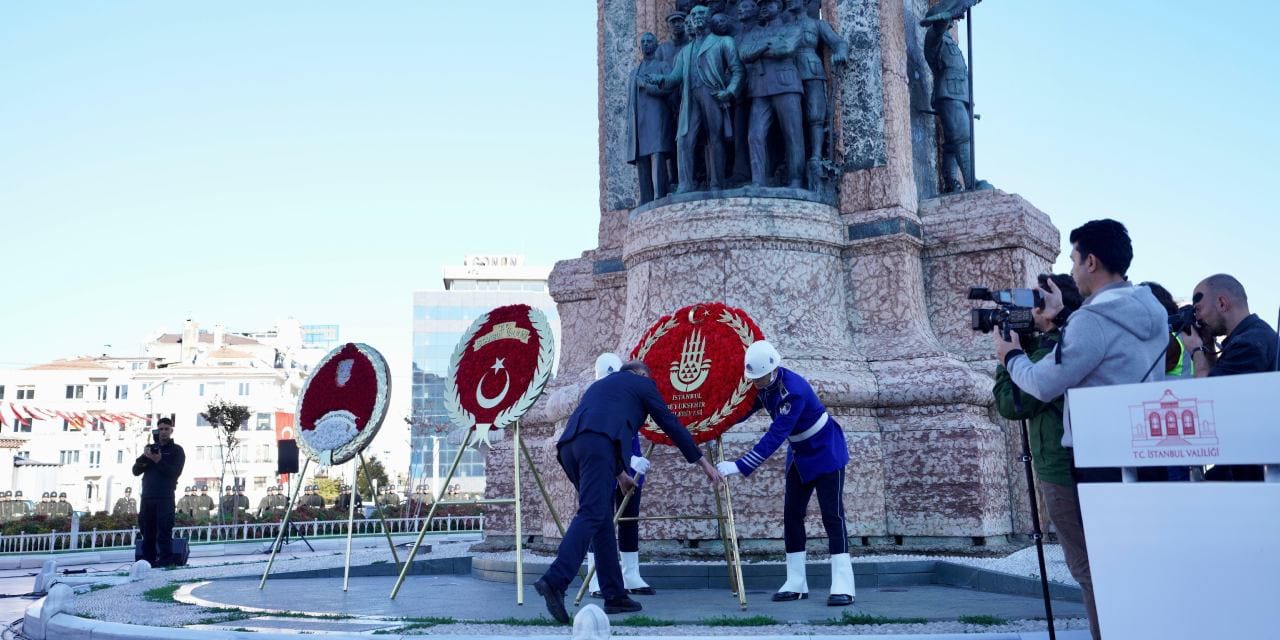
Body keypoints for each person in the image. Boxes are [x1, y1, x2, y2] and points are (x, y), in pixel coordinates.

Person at [994, 219, 1168, 640]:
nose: (1071, 271)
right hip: (1144, 453)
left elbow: (1042, 383)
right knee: (1133, 565)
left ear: (1091, 261)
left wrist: (1012, 356)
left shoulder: (1093, 321)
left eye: (1073, 260)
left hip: (1096, 459)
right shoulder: (1153, 310)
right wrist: (1058, 323)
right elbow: (1099, 354)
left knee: (1094, 568)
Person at [533, 360, 723, 624]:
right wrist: (702, 462)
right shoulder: (642, 383)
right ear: (640, 374)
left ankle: (615, 595)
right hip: (596, 447)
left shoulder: (600, 387)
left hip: (569, 448)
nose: (651, 382)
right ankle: (555, 580)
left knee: (601, 521)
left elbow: (602, 427)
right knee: (591, 513)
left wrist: (621, 475)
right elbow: (670, 423)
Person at [993, 275, 1098, 633]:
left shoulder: (1053, 350)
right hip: (1075, 461)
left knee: (1085, 567)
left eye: (1033, 306)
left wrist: (1006, 357)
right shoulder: (1068, 342)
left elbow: (1013, 403)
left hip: (1060, 466)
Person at [717, 340, 855, 606]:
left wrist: (740, 465)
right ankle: (795, 582)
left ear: (773, 369)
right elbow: (745, 409)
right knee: (792, 516)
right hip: (800, 454)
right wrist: (718, 426)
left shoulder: (794, 391)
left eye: (760, 378)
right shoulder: (765, 384)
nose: (756, 384)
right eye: (753, 379)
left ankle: (843, 584)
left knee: (832, 516)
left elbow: (775, 435)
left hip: (826, 450)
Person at [1180, 274, 1279, 482]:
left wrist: (1196, 351)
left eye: (1197, 309)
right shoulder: (1254, 337)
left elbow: (1207, 399)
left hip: (1254, 475)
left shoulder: (1249, 344)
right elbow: (1220, 379)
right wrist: (1206, 347)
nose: (1196, 318)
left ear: (1222, 303)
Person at [645, 4, 745, 192]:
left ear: (709, 18)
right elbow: (675, 78)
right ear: (689, 20)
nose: (697, 17)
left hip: (713, 95)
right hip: (690, 98)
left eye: (701, 13)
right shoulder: (685, 51)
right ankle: (686, 183)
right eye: (693, 14)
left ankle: (717, 182)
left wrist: (730, 91)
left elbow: (738, 70)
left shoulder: (723, 42)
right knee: (684, 139)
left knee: (715, 138)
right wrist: (660, 79)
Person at [586, 353, 656, 598]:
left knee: (629, 521)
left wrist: (634, 464)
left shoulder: (626, 398)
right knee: (598, 521)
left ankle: (630, 573)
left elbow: (630, 435)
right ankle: (595, 578)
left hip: (629, 471)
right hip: (602, 471)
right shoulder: (593, 399)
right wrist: (629, 461)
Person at [130, 417, 186, 566]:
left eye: (166, 429)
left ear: (171, 430)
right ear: (157, 430)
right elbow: (135, 471)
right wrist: (145, 457)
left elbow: (175, 472)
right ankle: (147, 562)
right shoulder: (150, 450)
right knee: (147, 531)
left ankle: (165, 561)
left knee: (164, 530)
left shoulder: (177, 450)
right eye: (160, 429)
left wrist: (159, 461)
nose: (163, 432)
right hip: (148, 496)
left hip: (165, 497)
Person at [627, 33, 674, 204]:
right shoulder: (634, 72)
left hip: (657, 117)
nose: (646, 45)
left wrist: (647, 86)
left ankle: (659, 195)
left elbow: (670, 89)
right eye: (643, 42)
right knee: (642, 158)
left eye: (649, 42)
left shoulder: (663, 66)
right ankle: (646, 198)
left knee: (657, 153)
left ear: (656, 45)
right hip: (639, 120)